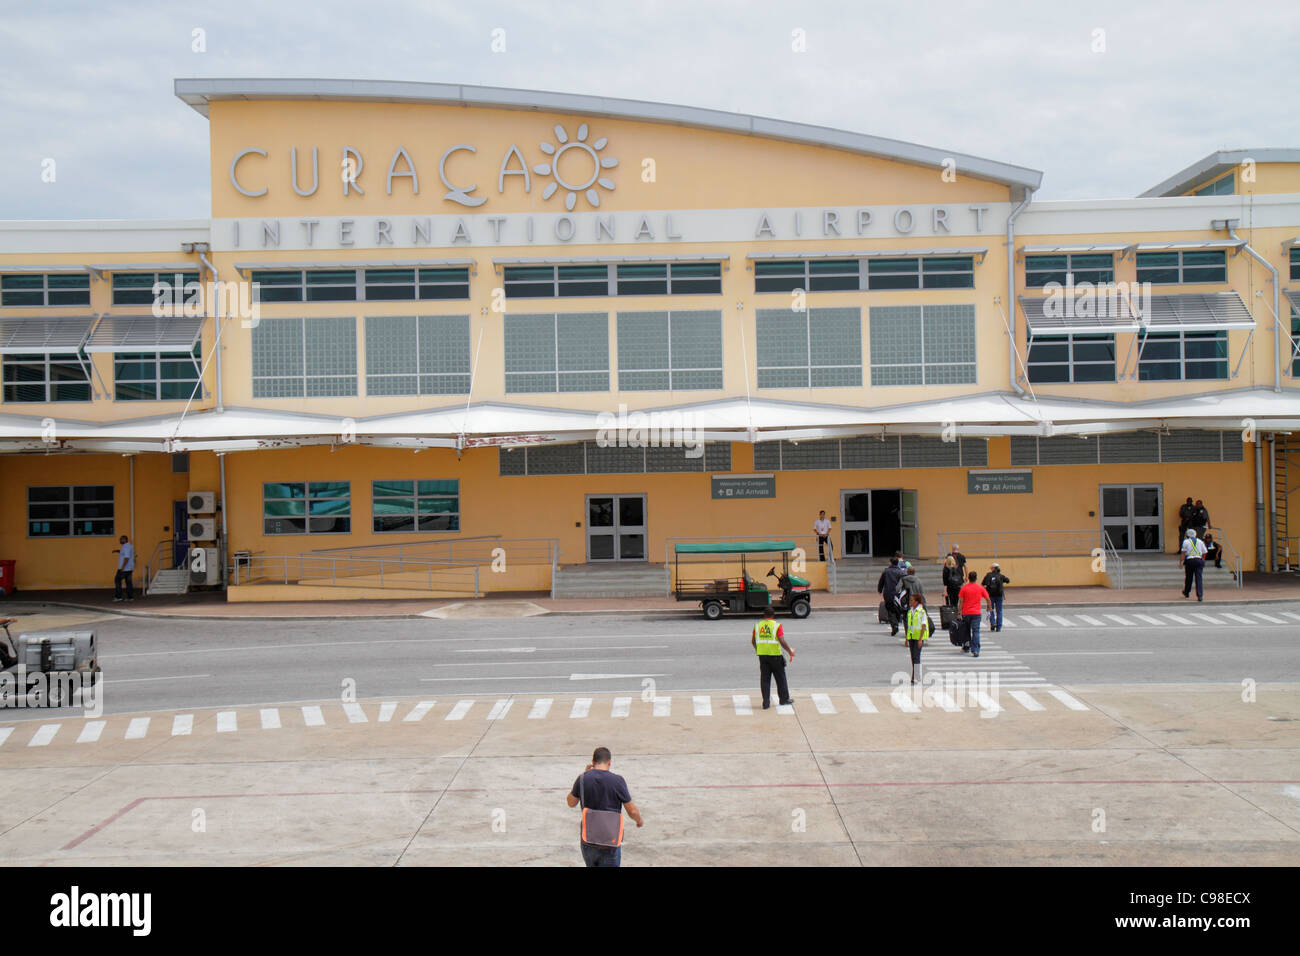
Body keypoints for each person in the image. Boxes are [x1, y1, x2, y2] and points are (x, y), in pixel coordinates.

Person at [567, 747, 644, 867]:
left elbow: (571, 802)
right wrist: (639, 820)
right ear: (609, 763)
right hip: (610, 841)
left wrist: (583, 775)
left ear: (593, 762)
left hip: (588, 839)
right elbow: (632, 811)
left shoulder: (583, 778)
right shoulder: (617, 781)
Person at [751, 605, 795, 709]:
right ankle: (784, 699)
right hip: (775, 656)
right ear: (773, 615)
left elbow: (753, 641)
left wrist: (758, 649)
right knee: (780, 678)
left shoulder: (757, 626)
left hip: (762, 656)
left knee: (765, 679)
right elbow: (781, 640)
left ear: (764, 615)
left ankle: (766, 703)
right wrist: (790, 651)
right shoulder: (776, 625)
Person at [957, 571, 992, 657]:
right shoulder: (980, 588)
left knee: (966, 631)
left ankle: (966, 646)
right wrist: (989, 607)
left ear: (968, 578)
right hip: (976, 613)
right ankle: (975, 650)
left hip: (966, 613)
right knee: (976, 631)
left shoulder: (964, 588)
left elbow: (961, 601)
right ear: (976, 578)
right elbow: (988, 599)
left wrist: (959, 612)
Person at [877, 555, 907, 636]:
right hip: (898, 594)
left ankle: (894, 625)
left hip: (888, 593)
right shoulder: (901, 572)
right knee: (897, 609)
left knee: (890, 610)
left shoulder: (886, 571)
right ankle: (896, 623)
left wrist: (879, 590)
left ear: (890, 563)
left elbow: (881, 581)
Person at [904, 592, 930, 685]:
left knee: (916, 657)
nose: (910, 602)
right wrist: (907, 638)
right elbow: (909, 626)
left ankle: (915, 676)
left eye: (912, 600)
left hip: (918, 637)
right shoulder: (910, 611)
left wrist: (920, 639)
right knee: (913, 657)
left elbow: (923, 626)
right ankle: (916, 675)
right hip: (911, 637)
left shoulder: (921, 612)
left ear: (917, 602)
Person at [1180, 528, 1208, 601]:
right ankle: (1200, 595)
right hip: (1199, 560)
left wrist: (1181, 562)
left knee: (1189, 577)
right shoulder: (1200, 541)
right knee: (1199, 578)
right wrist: (1203, 560)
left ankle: (1186, 592)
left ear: (1187, 535)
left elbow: (1183, 553)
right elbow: (1205, 552)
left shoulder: (1186, 542)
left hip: (1190, 560)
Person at [981, 563, 1011, 632]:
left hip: (990, 596)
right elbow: (1008, 580)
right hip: (999, 595)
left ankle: (993, 623)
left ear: (993, 568)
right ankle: (999, 627)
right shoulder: (1000, 576)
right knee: (999, 611)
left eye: (991, 568)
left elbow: (983, 584)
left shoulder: (988, 575)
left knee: (990, 609)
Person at [112, 535, 135, 602]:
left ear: (125, 540)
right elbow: (124, 553)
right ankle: (130, 597)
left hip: (124, 569)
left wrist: (122, 567)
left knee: (117, 581)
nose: (120, 541)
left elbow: (126, 558)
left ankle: (118, 597)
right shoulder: (128, 546)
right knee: (128, 583)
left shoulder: (126, 547)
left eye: (121, 539)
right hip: (129, 568)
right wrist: (118, 551)